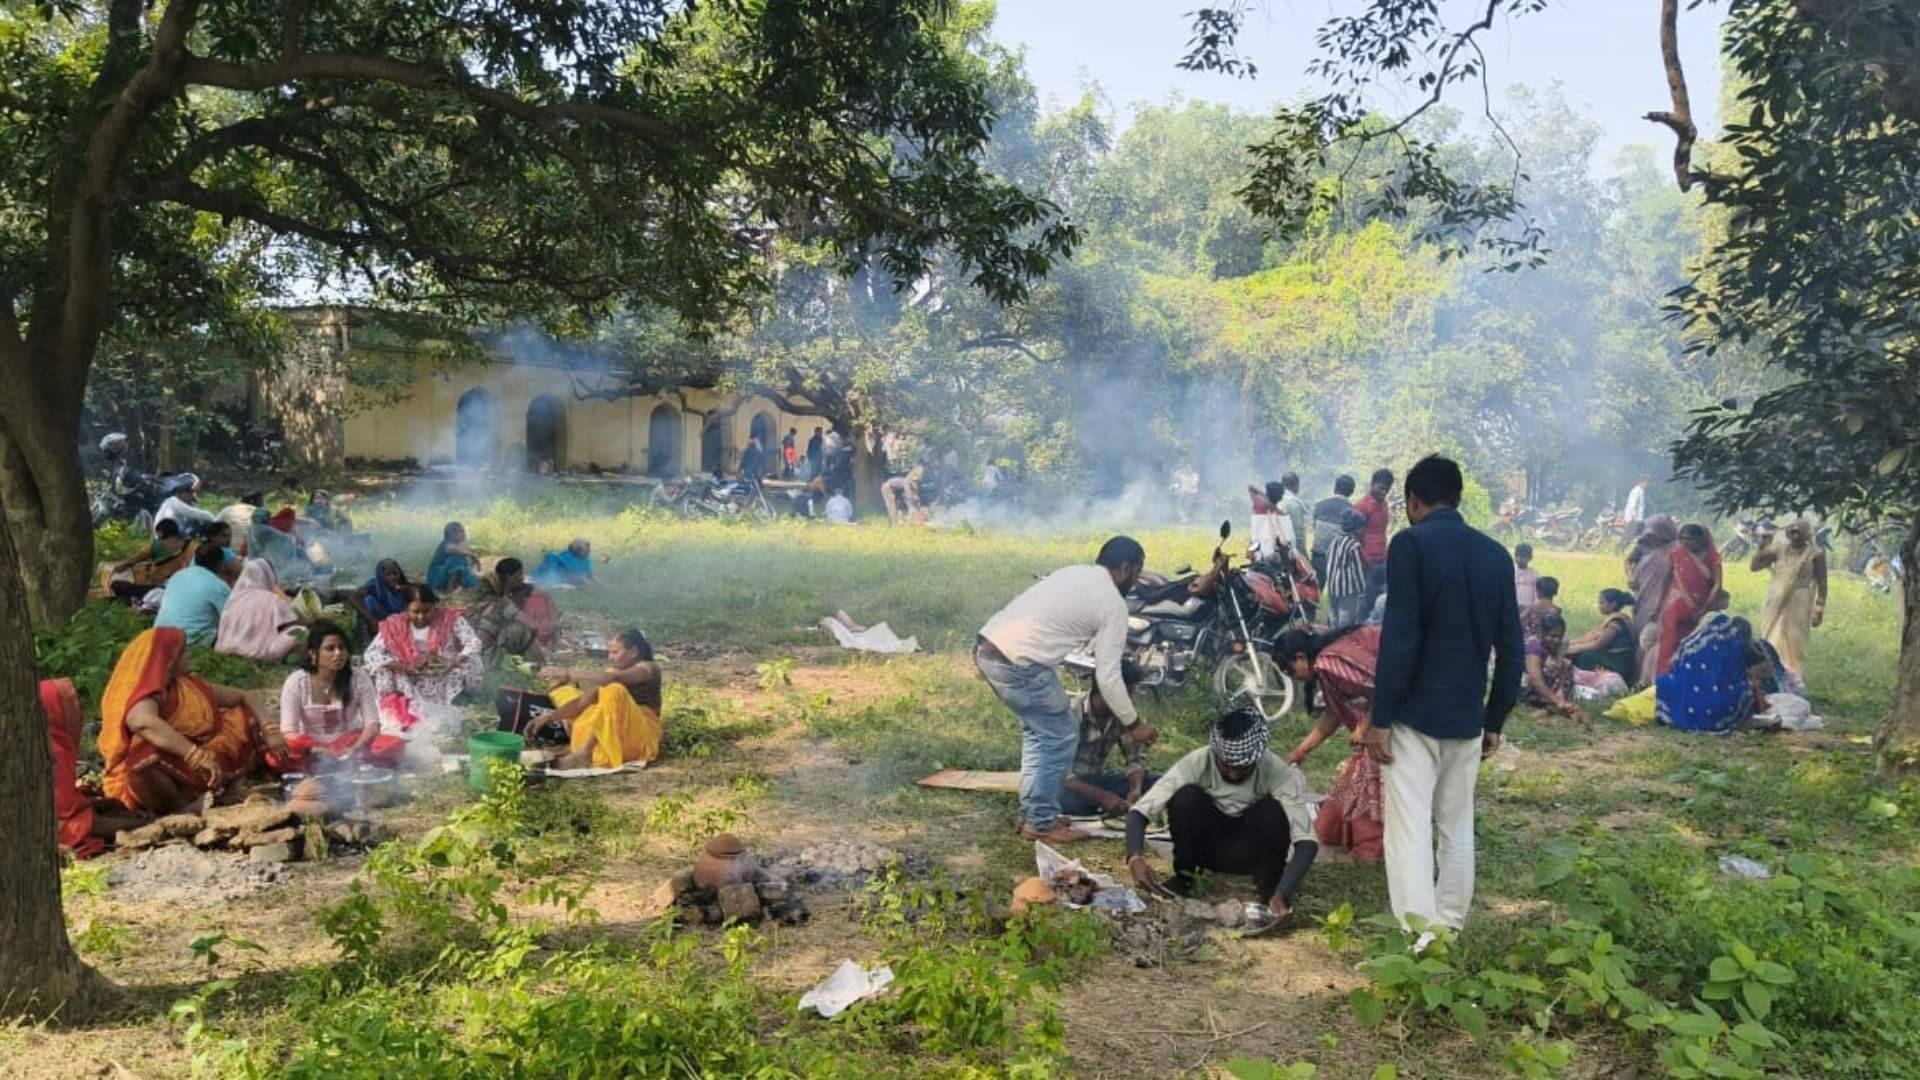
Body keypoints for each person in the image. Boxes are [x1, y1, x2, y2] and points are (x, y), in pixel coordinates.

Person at [1367, 455, 1523, 935]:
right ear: (1456, 498)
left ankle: (1420, 935)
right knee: (1456, 824)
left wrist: (1380, 717)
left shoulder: (1410, 545)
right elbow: (1512, 648)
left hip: (1415, 713)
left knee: (1410, 826)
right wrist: (1495, 718)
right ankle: (1449, 926)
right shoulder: (1495, 555)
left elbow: (1401, 637)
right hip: (1467, 714)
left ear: (1413, 501)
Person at [977, 536, 1146, 844]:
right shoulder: (1113, 604)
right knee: (1061, 735)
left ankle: (1032, 813)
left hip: (989, 648)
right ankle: (1041, 822)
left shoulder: (1073, 572)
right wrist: (1134, 724)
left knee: (1039, 734)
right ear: (1125, 568)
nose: (1135, 581)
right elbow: (1108, 677)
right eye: (1136, 573)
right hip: (1020, 663)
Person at [1125, 707, 1317, 923]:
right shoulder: (1198, 761)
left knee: (1273, 809)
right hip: (1208, 850)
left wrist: (1285, 891)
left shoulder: (1275, 770)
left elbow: (1307, 842)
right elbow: (1139, 812)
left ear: (1257, 758)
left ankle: (1270, 891)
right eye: (1226, 766)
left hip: (1253, 853)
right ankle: (1185, 879)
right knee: (1186, 797)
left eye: (1243, 767)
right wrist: (1135, 857)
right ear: (1216, 753)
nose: (1233, 774)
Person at [98, 627, 273, 815]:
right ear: (168, 660)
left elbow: (244, 696)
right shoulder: (147, 695)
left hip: (201, 757)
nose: (188, 657)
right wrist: (194, 755)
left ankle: (230, 783)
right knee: (144, 755)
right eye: (183, 653)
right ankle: (180, 807)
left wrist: (271, 730)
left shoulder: (187, 686)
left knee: (240, 716)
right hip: (171, 766)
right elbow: (141, 722)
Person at [1278, 624, 1386, 862]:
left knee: (1364, 782)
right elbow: (1332, 717)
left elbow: (1385, 684)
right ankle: (1338, 837)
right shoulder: (1327, 668)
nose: (1293, 677)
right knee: (1349, 785)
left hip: (1394, 720)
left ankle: (1369, 851)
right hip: (1381, 723)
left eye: (1289, 669)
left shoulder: (1330, 660)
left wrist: (1365, 727)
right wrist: (1300, 751)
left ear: (1300, 658)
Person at [363, 584, 484, 749]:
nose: (420, 617)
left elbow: (474, 642)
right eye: (415, 612)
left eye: (426, 611)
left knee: (473, 660)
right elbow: (372, 653)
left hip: (443, 673)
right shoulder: (395, 624)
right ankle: (400, 708)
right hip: (410, 677)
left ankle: (461, 700)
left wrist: (452, 662)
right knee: (382, 668)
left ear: (435, 606)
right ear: (407, 610)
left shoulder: (450, 619)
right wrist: (404, 667)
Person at [275, 622, 404, 772]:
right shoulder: (296, 682)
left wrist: (356, 748)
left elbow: (372, 723)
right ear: (313, 654)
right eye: (330, 648)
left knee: (394, 744)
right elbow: (288, 732)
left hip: (350, 742)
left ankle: (344, 763)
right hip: (312, 746)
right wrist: (318, 750)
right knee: (275, 757)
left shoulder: (359, 677)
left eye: (341, 648)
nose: (338, 653)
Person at [535, 628, 665, 770]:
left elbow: (611, 679)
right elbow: (581, 703)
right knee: (587, 707)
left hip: (641, 740)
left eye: (615, 652)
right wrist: (550, 717)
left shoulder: (647, 668)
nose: (610, 658)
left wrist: (568, 673)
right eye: (609, 653)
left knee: (613, 689)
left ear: (633, 652)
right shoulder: (612, 673)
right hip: (620, 741)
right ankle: (577, 750)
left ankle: (584, 754)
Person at [1059, 662, 1159, 817]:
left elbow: (1134, 759)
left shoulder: (1124, 717)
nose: (1131, 700)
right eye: (1127, 694)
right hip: (1071, 787)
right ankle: (1099, 807)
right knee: (1065, 799)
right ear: (1108, 690)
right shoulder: (1072, 713)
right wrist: (1102, 797)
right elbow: (1059, 773)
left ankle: (1108, 807)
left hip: (1097, 782)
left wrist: (1135, 790)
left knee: (1157, 782)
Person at [1656, 607, 1774, 732]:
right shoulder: (1732, 654)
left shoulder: (1694, 648)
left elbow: (1675, 669)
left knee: (1665, 683)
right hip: (1720, 712)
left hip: (1688, 709)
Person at [1752, 520, 1827, 681]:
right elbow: (1755, 566)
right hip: (1775, 598)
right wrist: (1763, 546)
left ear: (1806, 534)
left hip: (1799, 600)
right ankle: (1770, 675)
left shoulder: (1816, 554)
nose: (1795, 536)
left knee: (1795, 643)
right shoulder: (1779, 549)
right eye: (1792, 532)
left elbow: (1822, 582)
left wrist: (1819, 608)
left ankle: (1793, 678)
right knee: (1772, 637)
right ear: (1787, 533)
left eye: (1798, 532)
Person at [42, 678, 106, 859]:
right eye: (70, 706)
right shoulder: (53, 752)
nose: (79, 714)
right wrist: (141, 825)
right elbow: (69, 816)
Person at [1656, 524, 1723, 678]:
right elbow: (1666, 579)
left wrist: (1704, 609)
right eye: (1681, 539)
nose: (1684, 543)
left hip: (1703, 608)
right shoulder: (1676, 554)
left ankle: (1693, 679)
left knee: (1697, 643)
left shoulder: (1713, 557)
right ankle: (1665, 678)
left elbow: (1717, 585)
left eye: (1688, 539)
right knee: (1670, 643)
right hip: (1675, 609)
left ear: (1700, 539)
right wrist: (1659, 605)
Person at [1626, 515, 1679, 686]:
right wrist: (1630, 576)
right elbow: (1629, 561)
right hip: (1642, 596)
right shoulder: (1643, 545)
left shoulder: (1677, 550)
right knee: (1638, 635)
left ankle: (1645, 678)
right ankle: (1634, 676)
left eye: (1656, 535)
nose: (1653, 538)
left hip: (1662, 600)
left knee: (1650, 639)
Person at [215, 559, 301, 662]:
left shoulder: (234, 599)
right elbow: (292, 619)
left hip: (225, 649)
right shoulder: (272, 599)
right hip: (257, 654)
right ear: (268, 576)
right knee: (300, 630)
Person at [466, 558, 550, 664]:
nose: (523, 577)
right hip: (484, 657)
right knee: (522, 631)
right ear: (510, 578)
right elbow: (532, 625)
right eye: (520, 574)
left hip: (469, 652)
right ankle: (543, 665)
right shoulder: (501, 603)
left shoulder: (484, 598)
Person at [154, 543, 234, 645]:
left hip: (159, 635)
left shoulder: (177, 575)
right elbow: (231, 618)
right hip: (190, 640)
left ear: (195, 560)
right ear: (220, 564)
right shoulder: (218, 585)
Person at [97, 516, 192, 601]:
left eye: (162, 540)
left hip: (162, 588)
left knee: (118, 585)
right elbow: (138, 557)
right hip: (148, 581)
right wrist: (125, 565)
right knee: (115, 580)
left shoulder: (191, 549)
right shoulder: (159, 545)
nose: (162, 544)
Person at [1568, 589, 1637, 682]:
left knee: (1584, 656)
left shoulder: (1616, 623)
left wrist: (1575, 648)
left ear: (1613, 604)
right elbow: (1589, 637)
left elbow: (1598, 645)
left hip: (1618, 664)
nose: (1599, 606)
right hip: (1611, 658)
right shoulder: (1611, 619)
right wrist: (1571, 644)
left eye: (1602, 603)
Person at [1521, 612, 1580, 717]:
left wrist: (1560, 692)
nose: (1557, 640)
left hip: (1547, 688)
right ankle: (1546, 702)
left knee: (1567, 664)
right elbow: (1535, 679)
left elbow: (1563, 667)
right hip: (1525, 689)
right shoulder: (1534, 647)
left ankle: (1551, 701)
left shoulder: (1557, 645)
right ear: (1541, 633)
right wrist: (1557, 701)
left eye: (1560, 636)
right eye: (1553, 636)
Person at [1354, 468, 1394, 612]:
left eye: (1387, 490)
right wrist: (1363, 560)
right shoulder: (1362, 506)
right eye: (1381, 488)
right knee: (1366, 600)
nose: (1384, 492)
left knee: (1381, 599)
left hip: (1382, 558)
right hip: (1366, 560)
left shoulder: (1384, 505)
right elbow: (1356, 537)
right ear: (1372, 484)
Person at [1323, 508, 1369, 629]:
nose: (1364, 530)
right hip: (1347, 590)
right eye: (1363, 527)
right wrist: (1362, 592)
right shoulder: (1353, 545)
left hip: (1332, 587)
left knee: (1333, 615)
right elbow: (1357, 571)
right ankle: (1342, 637)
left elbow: (1328, 559)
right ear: (1355, 528)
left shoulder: (1334, 540)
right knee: (1346, 618)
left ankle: (1332, 636)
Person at [248, 505, 313, 583]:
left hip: (254, 561)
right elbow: (286, 538)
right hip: (267, 563)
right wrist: (294, 539)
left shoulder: (251, 528)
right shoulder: (264, 529)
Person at [1311, 475, 1358, 583]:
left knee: (1317, 586)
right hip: (1339, 559)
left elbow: (1314, 527)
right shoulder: (1352, 511)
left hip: (1319, 555)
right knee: (1338, 589)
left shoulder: (1320, 505)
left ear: (1335, 488)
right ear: (1351, 492)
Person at [353, 558, 412, 636]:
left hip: (399, 625)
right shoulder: (373, 586)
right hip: (380, 625)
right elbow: (355, 597)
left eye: (395, 573)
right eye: (388, 575)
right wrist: (372, 620)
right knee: (369, 600)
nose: (392, 577)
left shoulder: (402, 588)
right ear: (381, 575)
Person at [427, 521, 481, 592]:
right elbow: (451, 549)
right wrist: (472, 555)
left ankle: (462, 585)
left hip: (446, 576)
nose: (464, 534)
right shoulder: (446, 543)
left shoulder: (460, 546)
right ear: (452, 533)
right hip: (437, 579)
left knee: (474, 580)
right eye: (461, 531)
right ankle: (452, 587)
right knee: (457, 557)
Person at [1249, 481, 1297, 561]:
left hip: (1260, 555)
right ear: (1280, 498)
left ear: (1267, 493)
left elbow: (1251, 487)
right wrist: (1271, 504)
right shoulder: (1283, 515)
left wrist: (1266, 498)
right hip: (1280, 557)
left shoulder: (1259, 506)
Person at [1277, 472, 1310, 556]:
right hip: (1291, 553)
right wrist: (1303, 556)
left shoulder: (1277, 499)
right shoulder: (1293, 504)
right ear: (1296, 485)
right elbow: (1298, 534)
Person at [1519, 576, 1561, 640]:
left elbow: (1516, 622)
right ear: (1556, 592)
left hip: (1531, 642)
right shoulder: (1557, 611)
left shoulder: (1531, 609)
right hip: (1550, 642)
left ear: (1538, 591)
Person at [1513, 543, 1540, 610]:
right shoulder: (1510, 572)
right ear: (1515, 556)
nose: (1521, 559)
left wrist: (1533, 608)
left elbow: (1537, 594)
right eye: (1519, 556)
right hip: (1513, 608)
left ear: (1530, 558)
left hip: (1529, 609)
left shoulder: (1534, 574)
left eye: (1524, 557)